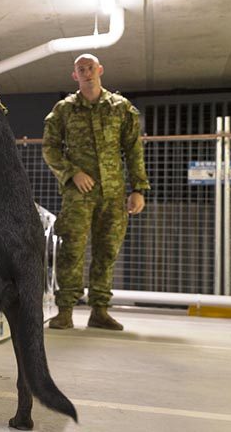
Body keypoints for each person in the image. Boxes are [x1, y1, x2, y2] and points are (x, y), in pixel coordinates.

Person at [42, 53, 150, 330]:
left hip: (113, 193)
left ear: (100, 70)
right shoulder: (64, 110)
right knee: (72, 249)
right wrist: (71, 173)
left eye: (90, 68)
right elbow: (50, 148)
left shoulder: (120, 108)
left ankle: (99, 310)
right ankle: (65, 310)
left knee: (107, 251)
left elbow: (134, 150)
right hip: (78, 194)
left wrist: (138, 189)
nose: (87, 72)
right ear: (74, 75)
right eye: (81, 69)